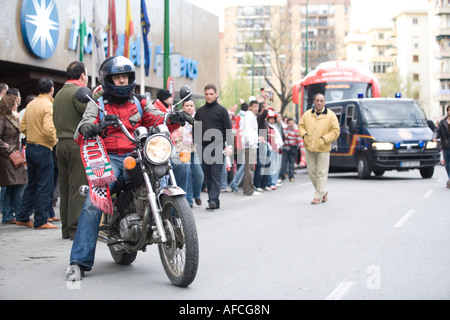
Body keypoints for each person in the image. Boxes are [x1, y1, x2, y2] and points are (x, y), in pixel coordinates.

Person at [66, 55, 189, 281]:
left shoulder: (140, 102)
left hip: (139, 154)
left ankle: (177, 221)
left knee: (167, 173)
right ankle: (78, 261)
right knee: (94, 202)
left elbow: (157, 118)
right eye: (117, 77)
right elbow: (82, 127)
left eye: (125, 76)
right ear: (107, 79)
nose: (122, 81)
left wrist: (174, 117)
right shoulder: (98, 103)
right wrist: (88, 129)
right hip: (111, 157)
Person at [53, 61, 90, 239]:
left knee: (65, 187)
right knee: (78, 187)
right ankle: (75, 229)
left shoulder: (59, 93)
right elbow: (88, 111)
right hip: (76, 144)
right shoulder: (77, 91)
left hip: (60, 144)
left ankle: (66, 228)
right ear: (82, 75)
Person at [16, 77, 58, 228]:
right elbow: (49, 129)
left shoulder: (31, 105)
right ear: (51, 89)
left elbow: (23, 128)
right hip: (43, 147)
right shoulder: (49, 106)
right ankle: (41, 220)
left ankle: (23, 216)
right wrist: (54, 141)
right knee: (45, 185)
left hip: (31, 146)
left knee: (32, 184)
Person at [194, 84, 232, 210]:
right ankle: (213, 199)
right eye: (207, 94)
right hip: (203, 147)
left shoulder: (222, 110)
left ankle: (213, 200)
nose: (209, 96)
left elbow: (228, 128)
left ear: (216, 94)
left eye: (211, 94)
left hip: (218, 145)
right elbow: (196, 129)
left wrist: (229, 146)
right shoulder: (199, 111)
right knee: (207, 174)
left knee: (216, 173)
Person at [298, 93, 340, 204]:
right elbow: (301, 126)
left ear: (324, 102)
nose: (319, 103)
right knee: (312, 172)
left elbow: (335, 131)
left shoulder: (330, 115)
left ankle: (317, 196)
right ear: (314, 102)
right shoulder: (307, 114)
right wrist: (305, 135)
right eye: (317, 100)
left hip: (323, 148)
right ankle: (323, 191)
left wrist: (325, 139)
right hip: (309, 147)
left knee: (322, 173)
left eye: (321, 100)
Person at [171, 99, 204, 207]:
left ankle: (197, 194)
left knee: (199, 175)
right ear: (183, 107)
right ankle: (189, 201)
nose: (189, 107)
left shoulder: (197, 119)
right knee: (187, 174)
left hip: (194, 150)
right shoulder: (178, 118)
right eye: (187, 105)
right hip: (181, 150)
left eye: (191, 105)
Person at [0, 94, 28, 224]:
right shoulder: (3, 119)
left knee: (13, 185)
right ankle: (13, 214)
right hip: (8, 156)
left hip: (14, 154)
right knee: (16, 185)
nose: (17, 105)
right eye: (15, 103)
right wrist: (7, 148)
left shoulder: (12, 118)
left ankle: (10, 214)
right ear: (11, 104)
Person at [433, 105, 450, 188]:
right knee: (447, 165)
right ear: (447, 111)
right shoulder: (442, 122)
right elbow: (437, 131)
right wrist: (434, 137)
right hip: (446, 146)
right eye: (449, 110)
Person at [279, 118, 301, 182]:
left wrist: (302, 150)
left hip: (293, 148)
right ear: (287, 123)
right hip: (285, 148)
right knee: (284, 162)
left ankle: (291, 176)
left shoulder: (297, 129)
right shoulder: (284, 129)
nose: (291, 124)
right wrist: (284, 135)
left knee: (291, 163)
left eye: (292, 123)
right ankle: (282, 176)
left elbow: (299, 140)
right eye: (289, 123)